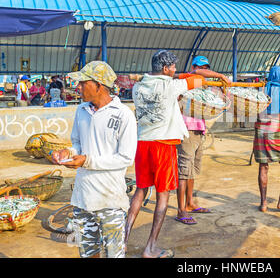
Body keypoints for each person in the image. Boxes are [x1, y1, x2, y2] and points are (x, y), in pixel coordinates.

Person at [50, 61, 138, 258]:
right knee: (88, 252)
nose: (77, 87)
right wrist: (68, 151)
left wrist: (87, 161)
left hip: (110, 200)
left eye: (83, 83)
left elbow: (125, 158)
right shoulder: (81, 110)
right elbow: (78, 143)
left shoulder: (123, 115)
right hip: (83, 199)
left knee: (114, 253)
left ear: (99, 85)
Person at [125, 50, 207, 258]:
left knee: (140, 191)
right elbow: (198, 78)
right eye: (172, 67)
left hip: (143, 143)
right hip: (163, 146)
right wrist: (183, 77)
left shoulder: (138, 86)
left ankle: (122, 241)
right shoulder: (171, 85)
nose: (175, 70)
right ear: (165, 68)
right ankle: (150, 247)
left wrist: (175, 77)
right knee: (163, 195)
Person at [176, 55, 231, 225]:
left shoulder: (205, 87)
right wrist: (221, 76)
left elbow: (220, 101)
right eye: (201, 67)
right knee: (184, 171)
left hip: (199, 130)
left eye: (207, 67)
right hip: (187, 130)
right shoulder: (187, 79)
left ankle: (190, 203)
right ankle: (181, 210)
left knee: (192, 170)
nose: (204, 70)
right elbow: (198, 72)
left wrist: (223, 90)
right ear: (193, 66)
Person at [253, 66, 280, 213]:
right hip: (273, 131)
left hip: (260, 131)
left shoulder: (261, 91)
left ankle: (263, 204)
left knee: (263, 167)